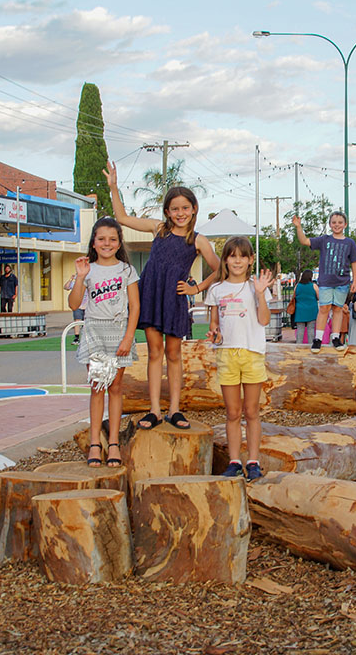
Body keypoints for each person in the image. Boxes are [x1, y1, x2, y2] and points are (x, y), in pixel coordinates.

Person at [105, 161, 220, 430]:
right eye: (175, 208)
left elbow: (220, 268)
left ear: (194, 210)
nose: (180, 213)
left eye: (185, 208)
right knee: (155, 353)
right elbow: (122, 218)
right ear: (167, 211)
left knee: (174, 354)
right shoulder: (159, 229)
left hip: (175, 301)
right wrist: (113, 188)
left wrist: (197, 289)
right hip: (152, 296)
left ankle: (175, 410)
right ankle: (155, 410)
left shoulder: (198, 239)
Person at [70, 217, 140, 467]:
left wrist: (129, 336)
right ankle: (94, 444)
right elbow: (74, 304)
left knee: (116, 388)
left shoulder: (126, 270)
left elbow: (135, 306)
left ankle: (113, 443)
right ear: (94, 242)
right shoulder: (87, 269)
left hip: (119, 334)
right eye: (102, 239)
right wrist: (80, 277)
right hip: (95, 334)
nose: (107, 243)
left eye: (112, 239)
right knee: (97, 387)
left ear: (119, 242)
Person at [205, 237, 273, 482]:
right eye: (232, 256)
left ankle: (253, 461)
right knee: (233, 412)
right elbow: (214, 324)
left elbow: (264, 320)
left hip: (252, 353)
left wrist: (260, 294)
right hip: (227, 355)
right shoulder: (216, 290)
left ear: (250, 260)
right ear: (225, 259)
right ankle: (234, 461)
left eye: (242, 256)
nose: (237, 260)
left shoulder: (256, 287)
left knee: (251, 411)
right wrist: (215, 333)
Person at [292, 212, 356, 353]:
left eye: (340, 222)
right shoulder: (324, 240)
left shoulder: (350, 243)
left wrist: (355, 280)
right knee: (324, 308)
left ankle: (335, 338)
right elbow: (305, 241)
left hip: (342, 282)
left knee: (337, 309)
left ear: (345, 225)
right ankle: (318, 338)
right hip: (325, 282)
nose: (337, 225)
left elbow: (354, 261)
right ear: (330, 224)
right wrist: (298, 227)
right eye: (334, 222)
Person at [293, 269, 319, 346]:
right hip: (312, 310)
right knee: (311, 330)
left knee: (300, 330)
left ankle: (298, 346)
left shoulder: (297, 286)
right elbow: (319, 297)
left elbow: (294, 296)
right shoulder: (314, 286)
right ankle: (311, 345)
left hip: (300, 310)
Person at [64, 272, 89, 345]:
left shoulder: (88, 283)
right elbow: (66, 287)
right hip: (78, 306)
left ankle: (86, 338)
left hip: (87, 306)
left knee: (87, 322)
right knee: (77, 321)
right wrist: (71, 279)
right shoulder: (75, 284)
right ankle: (76, 338)